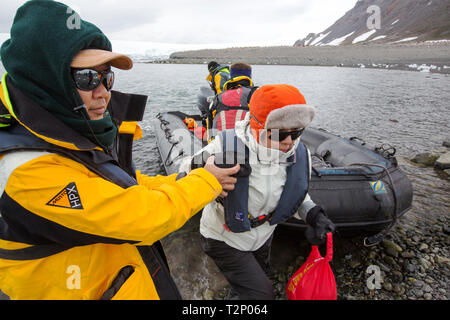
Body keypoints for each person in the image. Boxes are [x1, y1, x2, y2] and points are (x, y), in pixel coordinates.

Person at [0, 1, 239, 300]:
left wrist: (192, 174)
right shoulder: (26, 171)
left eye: (107, 77)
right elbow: (142, 217)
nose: (104, 91)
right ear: (46, 79)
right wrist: (207, 181)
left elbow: (120, 185)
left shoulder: (64, 133)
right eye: (87, 78)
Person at [180, 84, 336, 300]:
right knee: (261, 295)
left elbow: (295, 193)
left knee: (248, 286)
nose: (289, 142)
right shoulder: (226, 146)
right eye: (281, 134)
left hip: (264, 235)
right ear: (257, 127)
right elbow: (185, 168)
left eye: (297, 132)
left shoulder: (299, 154)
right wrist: (210, 166)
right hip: (224, 237)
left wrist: (313, 214)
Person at [208, 62, 258, 135]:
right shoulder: (257, 94)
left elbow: (210, 124)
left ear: (230, 76)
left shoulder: (217, 98)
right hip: (248, 143)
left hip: (219, 143)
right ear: (249, 76)